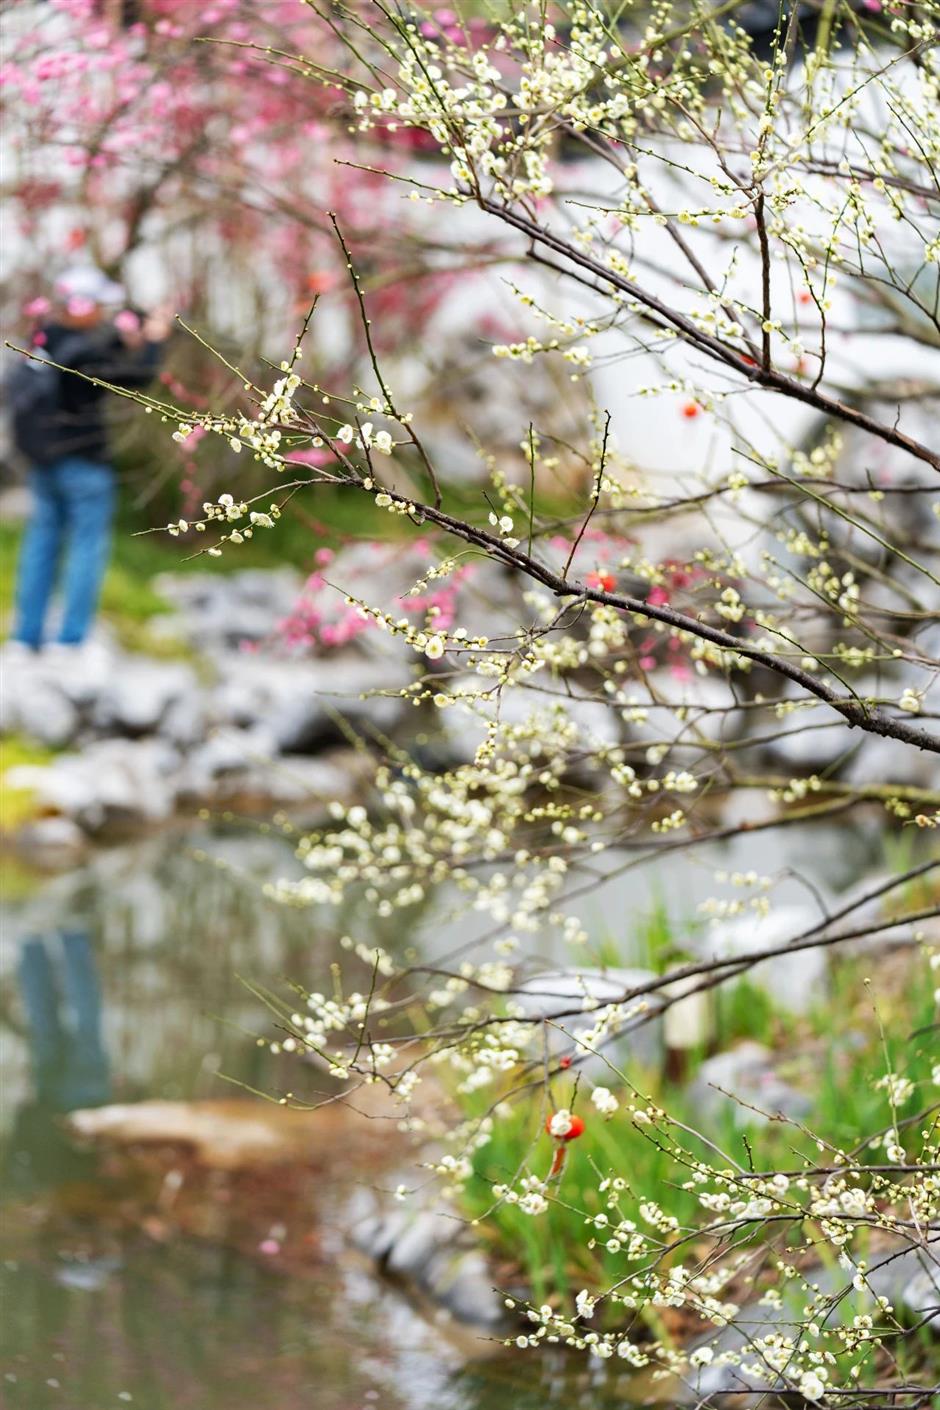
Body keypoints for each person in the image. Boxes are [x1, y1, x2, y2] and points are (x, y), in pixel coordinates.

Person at [6, 265, 172, 662]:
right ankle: (71, 640)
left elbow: (90, 369)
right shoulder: (80, 351)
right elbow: (134, 377)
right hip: (83, 463)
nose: (103, 312)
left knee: (42, 542)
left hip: (43, 462)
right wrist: (153, 342)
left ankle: (25, 637)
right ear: (79, 307)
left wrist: (120, 339)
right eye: (97, 304)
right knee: (85, 545)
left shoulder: (43, 342)